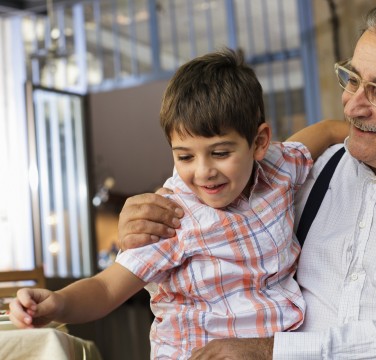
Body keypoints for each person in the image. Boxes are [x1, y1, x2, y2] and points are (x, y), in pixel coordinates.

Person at [116, 1, 376, 359]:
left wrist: (271, 351)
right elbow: (219, 182)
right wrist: (150, 216)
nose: (353, 105)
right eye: (352, 79)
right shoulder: (312, 172)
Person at [9, 49, 349, 359]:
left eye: (220, 153)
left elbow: (318, 134)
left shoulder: (277, 166)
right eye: (184, 156)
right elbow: (106, 287)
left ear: (259, 142)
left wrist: (346, 131)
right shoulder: (169, 215)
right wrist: (59, 303)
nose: (204, 172)